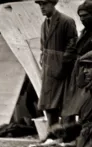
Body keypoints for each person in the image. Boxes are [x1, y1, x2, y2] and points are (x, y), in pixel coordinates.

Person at [62, 1, 92, 120]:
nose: (82, 19)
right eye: (80, 16)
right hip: (80, 71)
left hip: (91, 72)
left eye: (85, 15)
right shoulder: (85, 31)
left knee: (87, 103)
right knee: (74, 105)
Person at [35, 0, 78, 129]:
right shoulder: (44, 25)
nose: (42, 7)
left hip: (63, 69)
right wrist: (43, 57)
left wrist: (63, 63)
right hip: (49, 70)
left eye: (44, 4)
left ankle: (68, 133)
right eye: (40, 5)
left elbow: (72, 44)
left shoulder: (66, 21)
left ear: (53, 3)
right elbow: (43, 46)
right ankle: (53, 132)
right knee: (49, 103)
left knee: (66, 103)